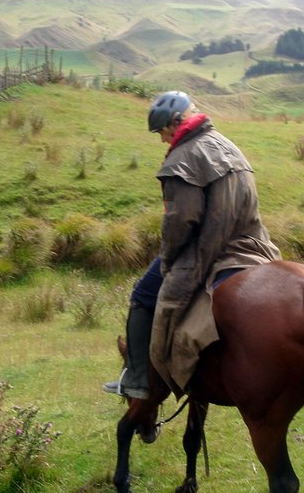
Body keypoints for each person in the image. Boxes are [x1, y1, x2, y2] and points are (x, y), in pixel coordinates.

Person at [103, 90, 281, 400]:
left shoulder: (181, 158)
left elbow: (181, 222)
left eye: (161, 131)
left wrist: (169, 257)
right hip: (255, 246)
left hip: (207, 253)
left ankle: (138, 377)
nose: (161, 139)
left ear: (173, 124)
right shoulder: (227, 145)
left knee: (143, 295)